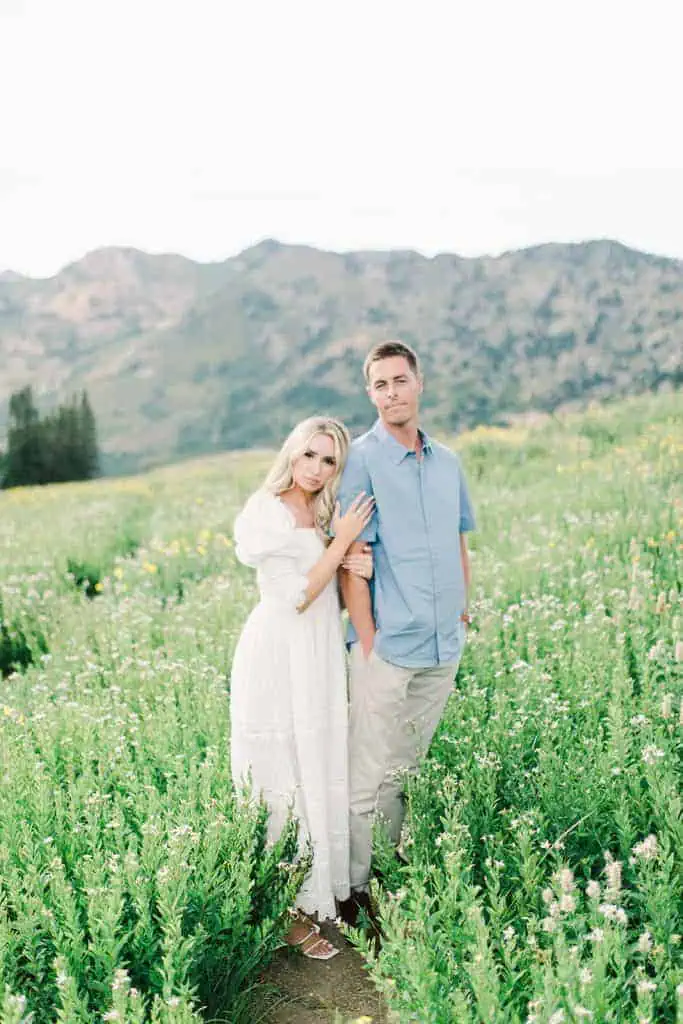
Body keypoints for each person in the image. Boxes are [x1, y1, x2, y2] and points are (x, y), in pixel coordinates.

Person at [335, 340, 476, 927]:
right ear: (370, 393)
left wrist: (465, 612)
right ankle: (351, 892)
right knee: (365, 774)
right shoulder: (362, 461)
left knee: (404, 770)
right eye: (379, 385)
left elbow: (459, 539)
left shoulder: (448, 462)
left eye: (400, 380)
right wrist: (368, 642)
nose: (391, 392)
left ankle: (386, 880)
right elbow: (351, 554)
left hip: (443, 647)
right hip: (387, 648)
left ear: (419, 383)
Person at [229, 415, 375, 960]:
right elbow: (294, 596)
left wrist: (349, 561)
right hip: (277, 650)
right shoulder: (266, 510)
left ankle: (318, 891)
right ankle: (281, 908)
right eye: (308, 454)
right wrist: (340, 547)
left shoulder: (322, 512)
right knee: (279, 771)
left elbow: (329, 589)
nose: (315, 469)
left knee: (316, 758)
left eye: (328, 460)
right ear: (292, 452)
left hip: (316, 652)